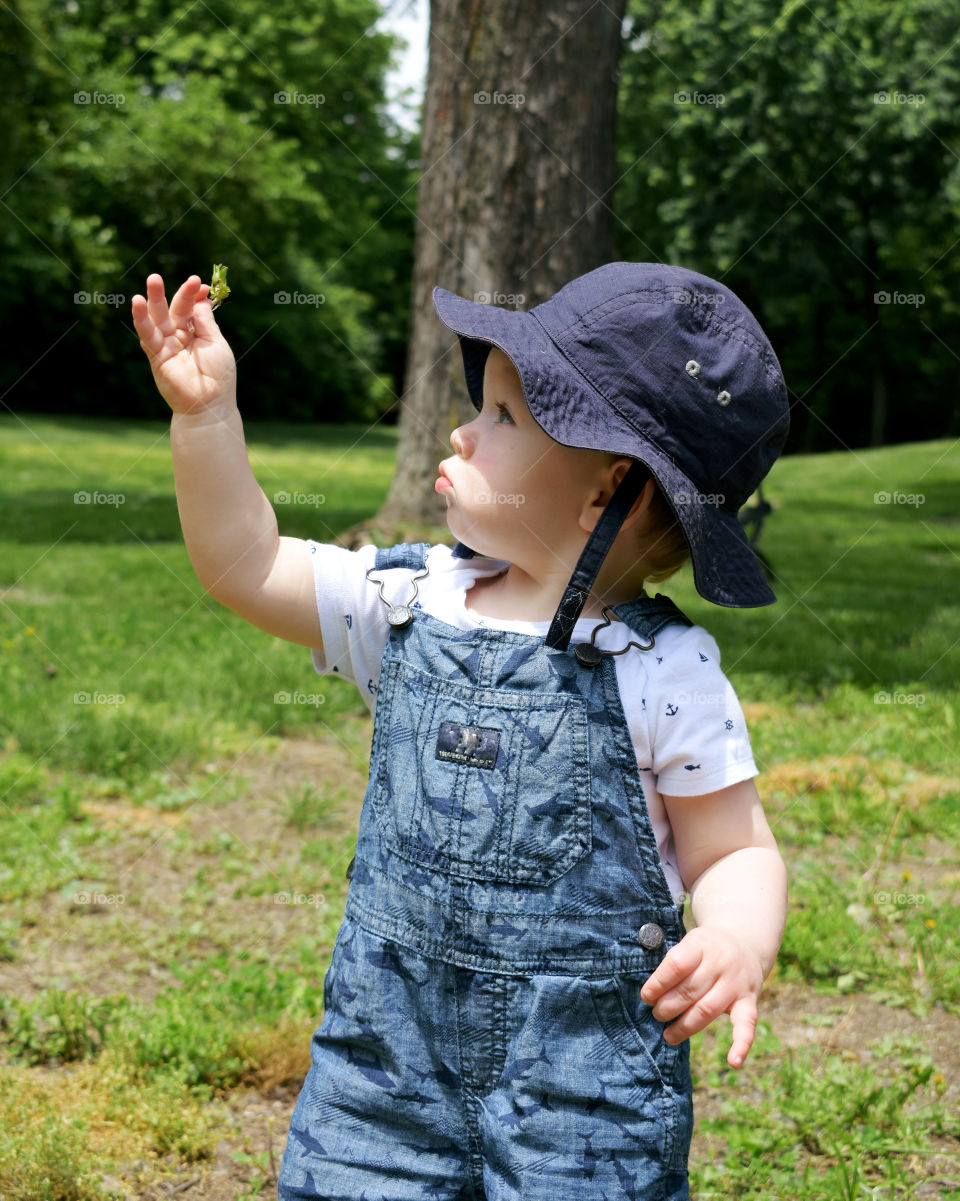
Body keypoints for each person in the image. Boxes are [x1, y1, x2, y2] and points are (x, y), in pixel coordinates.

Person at [132, 261, 789, 1201]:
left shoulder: (665, 670)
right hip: (381, 1075)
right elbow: (245, 563)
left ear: (609, 491)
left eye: (504, 418)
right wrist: (205, 420)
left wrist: (737, 935)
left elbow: (735, 846)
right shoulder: (405, 599)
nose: (461, 430)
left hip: (583, 1097)